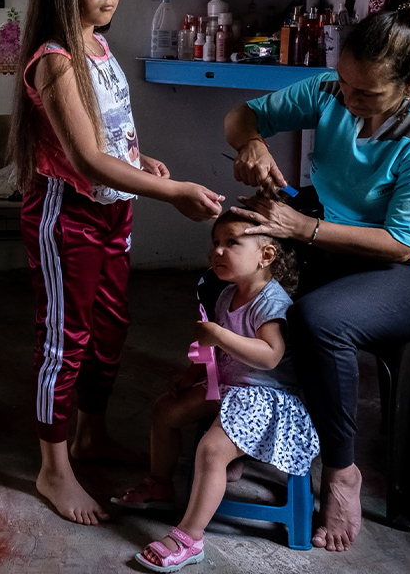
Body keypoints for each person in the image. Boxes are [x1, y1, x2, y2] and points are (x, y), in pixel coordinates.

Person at [222, 0, 410, 551]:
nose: (349, 100)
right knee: (236, 276)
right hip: (337, 246)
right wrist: (252, 144)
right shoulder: (334, 91)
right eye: (346, 84)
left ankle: (340, 472)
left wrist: (299, 228)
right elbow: (242, 114)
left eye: (368, 94)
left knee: (320, 320)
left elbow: (400, 244)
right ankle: (243, 432)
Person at [8, 0, 225, 525]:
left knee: (110, 328)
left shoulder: (97, 48)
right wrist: (174, 190)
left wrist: (142, 160)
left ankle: (89, 436)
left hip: (111, 209)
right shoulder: (54, 60)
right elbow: (83, 160)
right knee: (65, 338)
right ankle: (53, 469)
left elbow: (109, 138)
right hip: (67, 214)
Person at [113, 211, 318, 572]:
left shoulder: (271, 303)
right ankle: (160, 484)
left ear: (266, 256)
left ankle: (190, 538)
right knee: (165, 410)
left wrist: (220, 334)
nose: (218, 252)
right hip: (227, 386)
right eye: (216, 243)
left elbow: (270, 357)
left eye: (232, 243)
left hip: (265, 398)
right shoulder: (227, 295)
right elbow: (215, 350)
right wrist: (192, 371)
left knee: (210, 450)